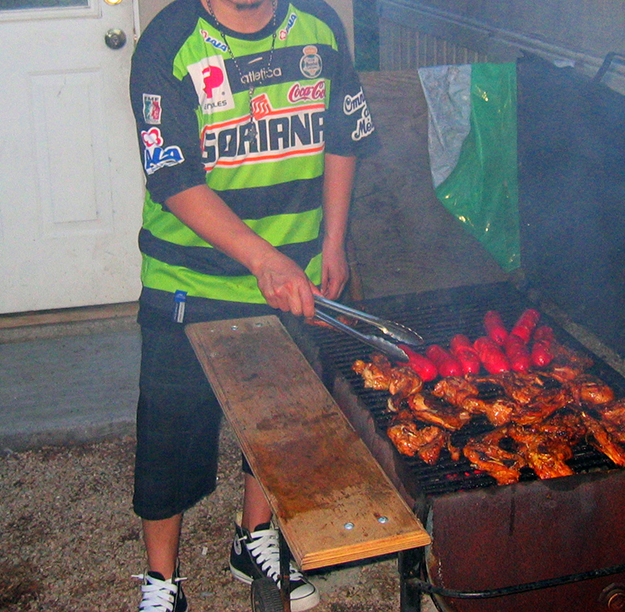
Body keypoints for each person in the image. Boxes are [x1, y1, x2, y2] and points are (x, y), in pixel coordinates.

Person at [127, 0, 377, 610]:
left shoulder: (319, 26)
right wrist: (263, 259)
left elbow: (343, 138)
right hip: (190, 279)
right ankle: (162, 579)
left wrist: (333, 242)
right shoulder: (168, 43)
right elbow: (174, 180)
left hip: (294, 274)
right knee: (168, 433)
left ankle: (254, 536)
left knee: (277, 424)